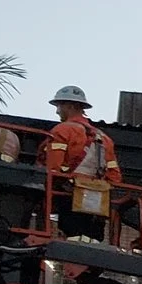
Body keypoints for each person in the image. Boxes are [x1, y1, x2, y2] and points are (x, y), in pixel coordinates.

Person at [42, 86, 122, 238]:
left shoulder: (62, 131)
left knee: (70, 239)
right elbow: (115, 177)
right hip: (97, 200)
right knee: (92, 242)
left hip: (69, 196)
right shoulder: (104, 138)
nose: (57, 111)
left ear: (71, 106)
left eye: (59, 106)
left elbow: (52, 169)